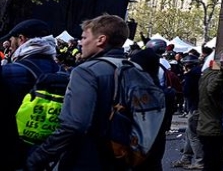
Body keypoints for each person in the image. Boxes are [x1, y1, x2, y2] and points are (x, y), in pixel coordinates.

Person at [26, 14, 147, 170]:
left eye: (84, 38)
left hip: (87, 159)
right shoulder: (137, 70)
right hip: (125, 158)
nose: (80, 43)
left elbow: (74, 124)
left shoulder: (86, 71)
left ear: (101, 40)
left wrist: (38, 158)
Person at [0, 19, 59, 170]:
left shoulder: (9, 72)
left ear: (21, 39)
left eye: (11, 40)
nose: (9, 44)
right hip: (49, 155)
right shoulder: (63, 72)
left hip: (11, 151)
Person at [173, 54, 204, 169]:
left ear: (186, 65)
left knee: (193, 136)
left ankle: (200, 161)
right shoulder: (202, 72)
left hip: (194, 107)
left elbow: (186, 92)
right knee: (188, 133)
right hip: (201, 107)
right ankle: (186, 158)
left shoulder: (191, 75)